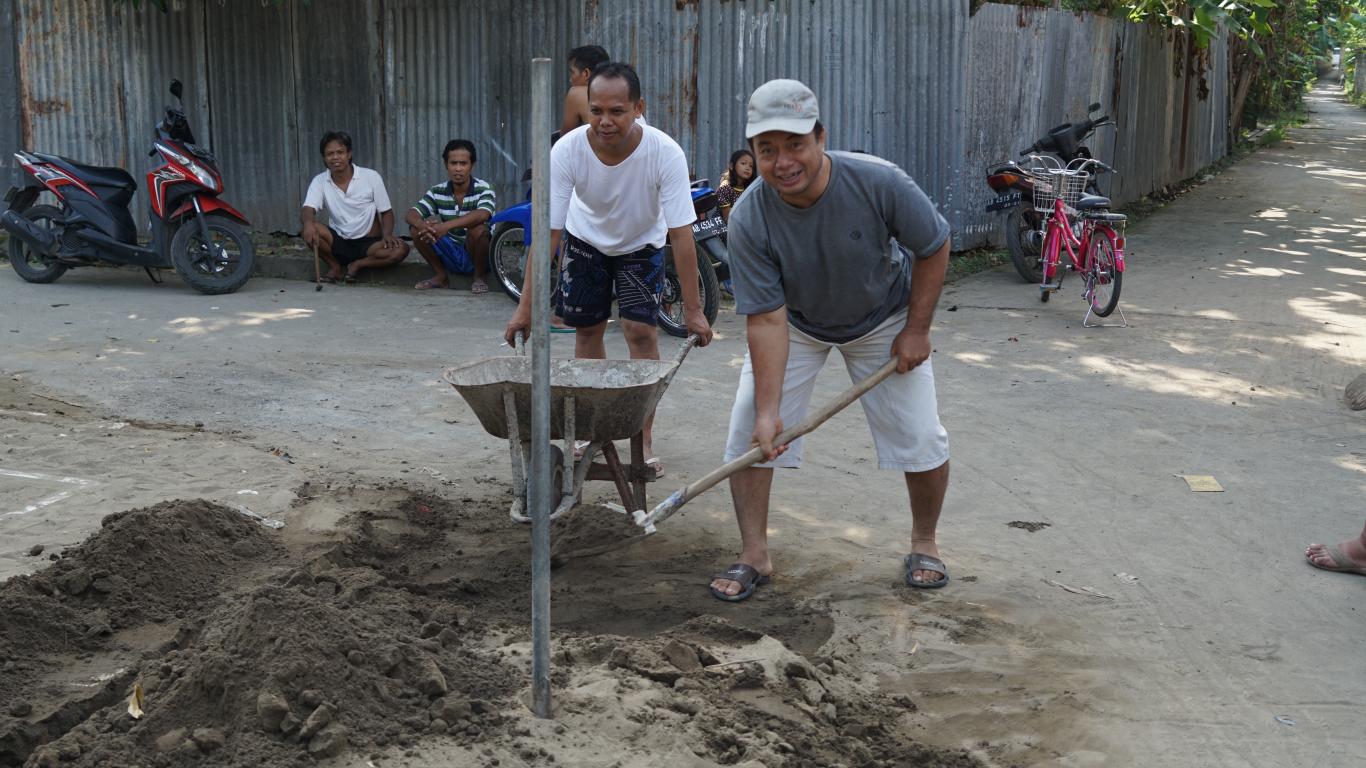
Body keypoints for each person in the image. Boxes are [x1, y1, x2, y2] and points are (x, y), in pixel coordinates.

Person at [709, 79, 953, 602]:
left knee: (922, 437)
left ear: (820, 137)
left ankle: (925, 541)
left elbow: (933, 245)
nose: (782, 162)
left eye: (795, 144)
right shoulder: (750, 216)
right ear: (751, 153)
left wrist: (917, 329)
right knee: (748, 435)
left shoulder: (878, 181)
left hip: (884, 318)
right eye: (766, 150)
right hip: (797, 323)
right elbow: (768, 320)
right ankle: (755, 553)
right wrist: (770, 412)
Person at [505, 62, 713, 477]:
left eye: (616, 111)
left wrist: (693, 309)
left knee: (641, 332)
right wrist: (526, 308)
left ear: (639, 107)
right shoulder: (567, 151)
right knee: (588, 330)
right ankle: (591, 430)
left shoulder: (664, 152)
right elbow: (546, 235)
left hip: (642, 245)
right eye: (596, 110)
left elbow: (682, 236)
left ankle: (642, 435)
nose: (604, 121)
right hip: (585, 242)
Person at [301, 132, 408, 282]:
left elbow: (386, 212)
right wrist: (307, 224)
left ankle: (358, 265)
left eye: (340, 152)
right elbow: (308, 208)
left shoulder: (371, 177)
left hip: (370, 245)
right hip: (338, 241)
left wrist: (387, 235)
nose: (335, 157)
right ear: (324, 158)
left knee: (400, 249)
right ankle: (335, 267)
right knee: (311, 228)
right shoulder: (319, 181)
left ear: (349, 154)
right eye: (330, 154)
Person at [405, 139, 497, 293]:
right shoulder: (437, 191)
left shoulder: (484, 188)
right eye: (453, 163)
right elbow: (411, 214)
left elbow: (483, 213)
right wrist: (423, 225)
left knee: (479, 230)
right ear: (446, 165)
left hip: (477, 253)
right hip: (451, 251)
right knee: (416, 230)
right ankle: (441, 276)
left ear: (472, 165)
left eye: (463, 163)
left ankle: (479, 277)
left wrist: (445, 226)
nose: (458, 169)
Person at [560, 45, 611, 136]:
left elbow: (565, 140)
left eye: (572, 72)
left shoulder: (576, 93)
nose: (570, 80)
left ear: (586, 73)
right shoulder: (625, 89)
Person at [715, 148, 755, 224]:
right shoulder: (725, 188)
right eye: (743, 163)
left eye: (751, 166)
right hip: (726, 229)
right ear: (731, 166)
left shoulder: (750, 188)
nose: (747, 168)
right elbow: (727, 219)